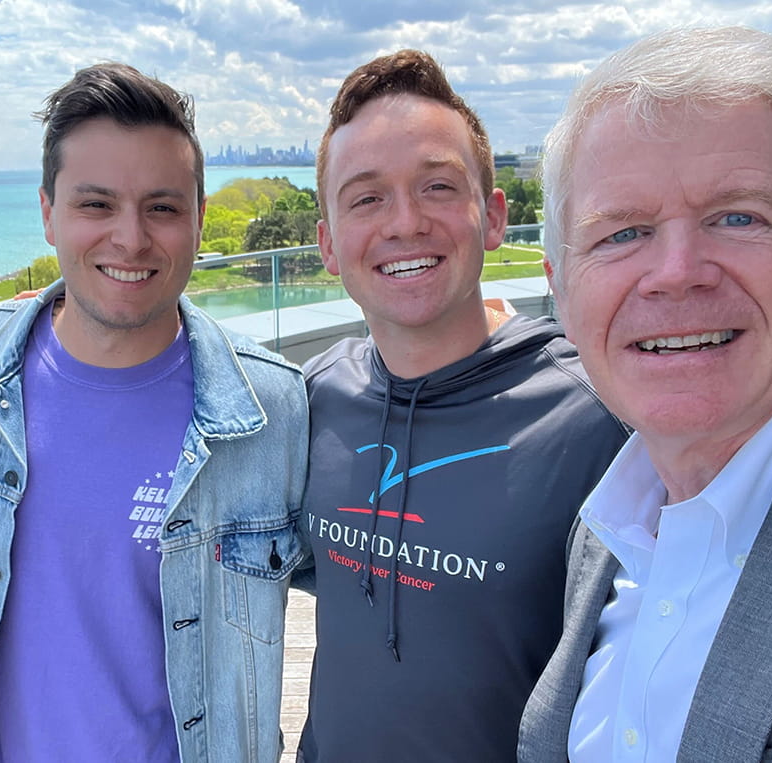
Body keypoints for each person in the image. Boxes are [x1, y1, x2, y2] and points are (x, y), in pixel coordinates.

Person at [518, 26, 772, 761]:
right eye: (623, 232)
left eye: (739, 217)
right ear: (561, 291)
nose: (676, 271)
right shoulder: (604, 527)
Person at [0, 63, 309, 763]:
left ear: (199, 218)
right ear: (46, 213)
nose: (131, 238)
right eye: (96, 205)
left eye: (162, 206)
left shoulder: (275, 409)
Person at [294, 50, 628, 760]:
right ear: (328, 243)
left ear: (495, 215)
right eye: (366, 197)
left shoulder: (596, 417)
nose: (405, 221)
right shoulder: (316, 397)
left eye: (438, 187)